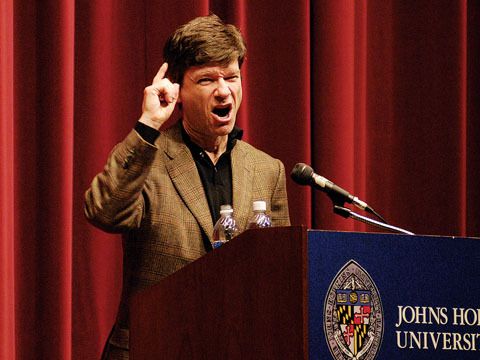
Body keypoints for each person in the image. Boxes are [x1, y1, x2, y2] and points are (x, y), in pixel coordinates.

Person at [84, 13, 290, 359]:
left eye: (232, 77)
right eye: (208, 79)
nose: (224, 90)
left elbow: (281, 276)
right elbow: (103, 212)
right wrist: (149, 123)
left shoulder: (267, 170)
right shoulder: (147, 158)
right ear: (178, 91)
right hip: (154, 346)